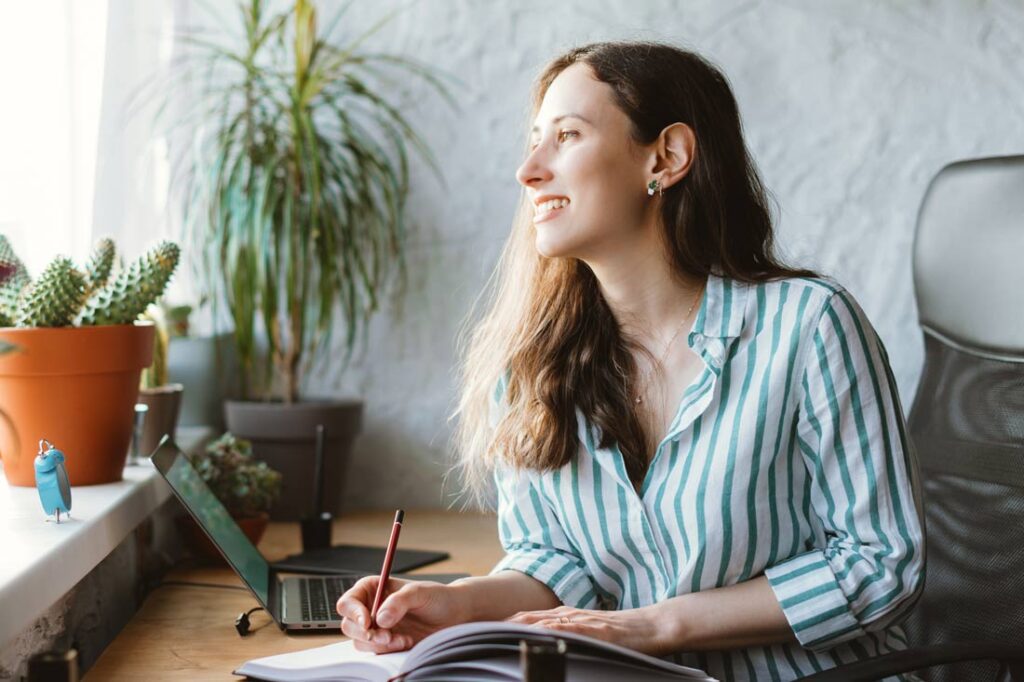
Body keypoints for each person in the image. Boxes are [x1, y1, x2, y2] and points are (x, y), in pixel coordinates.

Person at [336, 40, 925, 682]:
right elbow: (555, 564)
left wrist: (656, 624)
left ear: (666, 157)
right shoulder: (533, 364)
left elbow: (881, 564)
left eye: (566, 136)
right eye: (534, 140)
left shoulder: (808, 327)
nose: (528, 170)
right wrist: (454, 605)